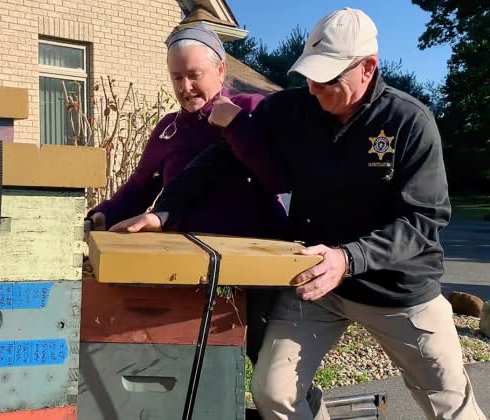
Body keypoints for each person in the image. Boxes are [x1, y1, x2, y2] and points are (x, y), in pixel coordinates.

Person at [110, 8, 486, 420]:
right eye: (309, 75)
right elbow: (221, 160)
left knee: (450, 405)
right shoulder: (293, 109)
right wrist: (164, 212)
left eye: (328, 80)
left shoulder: (408, 122)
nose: (313, 88)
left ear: (368, 68)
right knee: (274, 392)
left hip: (398, 290)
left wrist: (348, 257)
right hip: (316, 286)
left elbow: (423, 221)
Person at [85, 23, 329, 419]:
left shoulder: (251, 110)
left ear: (220, 70)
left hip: (259, 265)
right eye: (177, 77)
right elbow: (139, 186)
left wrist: (234, 124)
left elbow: (276, 176)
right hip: (193, 267)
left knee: (270, 361)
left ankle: (311, 412)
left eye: (194, 75)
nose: (185, 87)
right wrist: (104, 214)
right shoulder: (167, 129)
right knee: (199, 355)